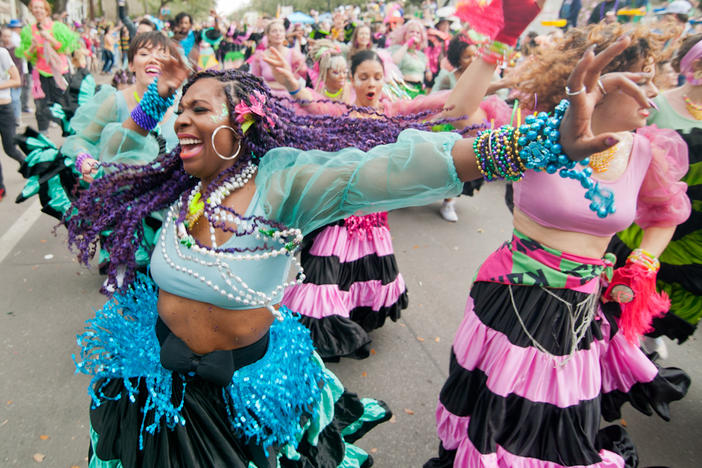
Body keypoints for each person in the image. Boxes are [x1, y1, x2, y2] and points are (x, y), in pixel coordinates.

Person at [63, 26, 654, 466]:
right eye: (179, 113)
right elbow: (118, 151)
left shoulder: (284, 182)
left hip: (247, 399)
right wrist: (152, 94)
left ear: (241, 123)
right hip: (155, 386)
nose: (183, 123)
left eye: (199, 110)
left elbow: (391, 169)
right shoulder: (177, 187)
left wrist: (538, 139)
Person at [426, 24, 691, 467]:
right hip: (513, 300)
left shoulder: (646, 151)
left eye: (657, 77)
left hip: (583, 313)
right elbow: (451, 125)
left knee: (560, 431)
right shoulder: (536, 136)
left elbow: (665, 214)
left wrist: (644, 260)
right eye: (642, 79)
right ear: (601, 83)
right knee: (498, 422)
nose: (656, 94)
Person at [610, 33, 702, 355]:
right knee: (637, 272)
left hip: (697, 225)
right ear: (690, 63)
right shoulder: (658, 104)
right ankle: (622, 330)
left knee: (680, 288)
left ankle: (651, 331)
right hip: (652, 209)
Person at [15, 0, 78, 135]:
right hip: (40, 75)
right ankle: (44, 138)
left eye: (40, 8)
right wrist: (32, 46)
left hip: (59, 73)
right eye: (35, 8)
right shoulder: (28, 31)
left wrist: (49, 38)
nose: (38, 10)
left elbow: (66, 49)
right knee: (41, 109)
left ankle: (71, 136)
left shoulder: (57, 27)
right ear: (31, 10)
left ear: (46, 10)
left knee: (63, 106)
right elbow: (26, 56)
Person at [248, 19, 307, 97]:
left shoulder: (294, 55)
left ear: (285, 34)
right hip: (268, 99)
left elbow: (305, 77)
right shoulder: (260, 57)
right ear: (268, 35)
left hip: (291, 99)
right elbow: (254, 81)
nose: (278, 33)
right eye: (274, 31)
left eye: (281, 31)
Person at [0, 43, 25, 201]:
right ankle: (1, 188)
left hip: (3, 109)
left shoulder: (2, 53)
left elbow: (16, 80)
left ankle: (27, 164)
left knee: (10, 148)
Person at [389, 19, 429, 96]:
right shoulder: (398, 49)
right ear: (404, 34)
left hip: (419, 91)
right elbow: (394, 62)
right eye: (411, 32)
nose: (415, 34)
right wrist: (408, 44)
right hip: (404, 90)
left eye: (418, 33)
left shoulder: (421, 55)